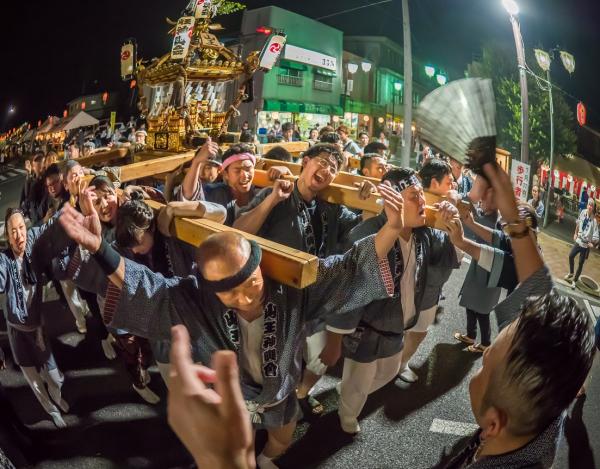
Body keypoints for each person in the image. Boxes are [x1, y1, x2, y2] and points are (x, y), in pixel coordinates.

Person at [57, 183, 406, 468]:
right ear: (210, 289)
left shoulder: (289, 293)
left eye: (251, 284)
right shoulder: (196, 300)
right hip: (229, 397)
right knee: (228, 446)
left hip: (278, 393)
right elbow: (149, 287)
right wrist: (101, 250)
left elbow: (344, 270)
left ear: (260, 268)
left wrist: (391, 227)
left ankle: (268, 458)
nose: (244, 298)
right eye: (229, 293)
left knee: (282, 438)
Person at [441, 161, 596, 469]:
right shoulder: (545, 414)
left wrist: (466, 239)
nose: (483, 362)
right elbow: (534, 286)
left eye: (485, 364)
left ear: (493, 424)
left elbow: (512, 263)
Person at [233, 143, 375, 418]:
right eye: (322, 162)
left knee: (301, 358)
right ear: (306, 162)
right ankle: (253, 411)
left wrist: (366, 203)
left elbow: (362, 237)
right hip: (267, 300)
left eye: (333, 168)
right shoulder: (274, 194)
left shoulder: (330, 210)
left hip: (307, 302)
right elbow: (237, 233)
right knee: (259, 361)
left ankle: (287, 400)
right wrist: (273, 199)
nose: (326, 169)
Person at [326, 168, 461, 433]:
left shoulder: (423, 234)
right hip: (367, 329)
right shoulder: (365, 234)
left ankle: (349, 392)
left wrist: (454, 228)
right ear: (391, 200)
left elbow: (449, 257)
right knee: (361, 379)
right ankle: (346, 413)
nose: (423, 202)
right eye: (414, 196)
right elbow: (346, 289)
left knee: (387, 373)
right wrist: (335, 338)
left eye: (422, 195)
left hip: (399, 326)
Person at [0, 209, 69, 428]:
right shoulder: (3, 260)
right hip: (17, 333)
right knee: (35, 382)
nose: (19, 236)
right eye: (13, 231)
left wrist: (72, 205)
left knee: (55, 378)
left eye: (21, 229)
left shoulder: (33, 245)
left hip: (38, 328)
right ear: (7, 237)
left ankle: (57, 396)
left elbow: (51, 227)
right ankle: (51, 410)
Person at [396, 159, 459, 383]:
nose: (454, 186)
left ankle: (399, 364)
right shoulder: (413, 200)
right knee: (398, 327)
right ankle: (389, 365)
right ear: (434, 182)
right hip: (405, 282)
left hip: (430, 287)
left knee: (419, 330)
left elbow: (456, 250)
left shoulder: (448, 208)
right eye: (450, 182)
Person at [454, 184, 502, 353]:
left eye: (486, 196)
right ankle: (471, 334)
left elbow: (472, 221)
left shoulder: (495, 221)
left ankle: (486, 343)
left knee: (482, 308)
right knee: (471, 302)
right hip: (479, 268)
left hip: (487, 272)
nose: (481, 198)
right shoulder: (488, 215)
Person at [177, 140, 260, 225]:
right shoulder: (216, 193)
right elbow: (189, 196)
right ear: (225, 174)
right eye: (237, 171)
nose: (245, 175)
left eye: (248, 169)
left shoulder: (262, 195)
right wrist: (196, 162)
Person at [565, 198, 598, 288]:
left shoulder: (594, 221)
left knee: (580, 263)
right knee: (571, 255)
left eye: (591, 205)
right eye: (588, 204)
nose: (589, 207)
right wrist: (575, 233)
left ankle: (574, 280)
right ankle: (571, 272)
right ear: (587, 205)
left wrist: (593, 244)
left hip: (585, 245)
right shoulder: (583, 212)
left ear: (593, 207)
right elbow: (578, 223)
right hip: (579, 240)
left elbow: (596, 235)